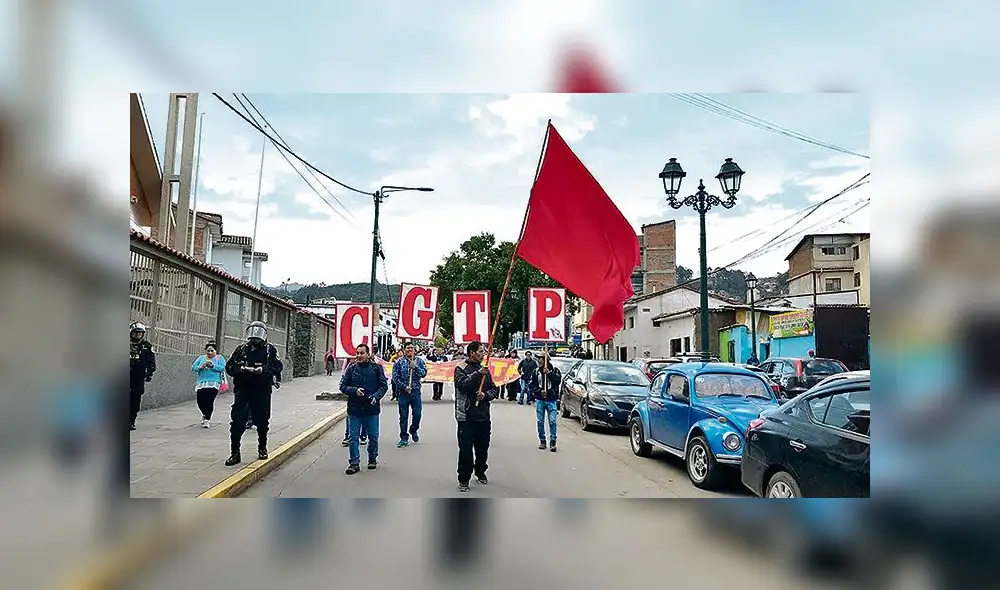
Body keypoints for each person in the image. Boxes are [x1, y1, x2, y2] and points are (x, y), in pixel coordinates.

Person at [224, 321, 282, 466]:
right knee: (237, 422)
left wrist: (263, 370)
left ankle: (262, 448)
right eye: (253, 334)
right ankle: (235, 453)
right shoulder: (241, 349)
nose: (255, 337)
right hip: (242, 391)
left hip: (261, 391)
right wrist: (241, 369)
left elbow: (277, 367)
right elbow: (229, 367)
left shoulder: (269, 350)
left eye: (258, 334)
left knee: (262, 422)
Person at [453, 341, 499, 492]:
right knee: (465, 451)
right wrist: (478, 374)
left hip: (483, 416)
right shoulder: (461, 368)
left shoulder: (485, 369)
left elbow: (494, 390)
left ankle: (480, 471)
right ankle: (463, 479)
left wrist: (485, 395)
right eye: (480, 351)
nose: (483, 354)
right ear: (471, 352)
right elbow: (462, 385)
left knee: (482, 449)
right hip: (466, 417)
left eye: (484, 351)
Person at [339, 343, 388, 474]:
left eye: (362, 353)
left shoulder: (376, 368)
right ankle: (354, 463)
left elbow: (383, 386)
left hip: (371, 409)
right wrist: (354, 391)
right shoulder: (351, 369)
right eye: (357, 353)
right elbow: (343, 386)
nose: (359, 355)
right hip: (354, 409)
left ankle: (372, 458)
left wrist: (376, 396)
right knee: (353, 437)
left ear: (368, 354)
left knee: (373, 437)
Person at [392, 343, 427, 448]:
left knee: (417, 414)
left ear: (414, 350)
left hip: (415, 391)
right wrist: (404, 387)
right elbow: (395, 378)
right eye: (408, 348)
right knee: (403, 416)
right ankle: (403, 437)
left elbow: (424, 373)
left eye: (411, 348)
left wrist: (415, 367)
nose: (410, 350)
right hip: (403, 393)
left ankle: (413, 429)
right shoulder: (398, 362)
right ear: (404, 349)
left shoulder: (419, 361)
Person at [530, 352, 562, 452]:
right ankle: (542, 441)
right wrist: (539, 391)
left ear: (546, 360)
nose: (539, 360)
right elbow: (531, 385)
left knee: (552, 421)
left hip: (551, 400)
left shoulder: (555, 370)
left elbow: (557, 381)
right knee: (540, 421)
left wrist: (549, 374)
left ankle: (553, 441)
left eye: (541, 358)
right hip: (540, 400)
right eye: (538, 358)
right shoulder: (535, 372)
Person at [191, 340, 226, 428]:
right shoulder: (201, 358)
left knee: (209, 401)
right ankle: (204, 414)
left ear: (215, 351)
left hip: (214, 383)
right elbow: (193, 367)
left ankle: (207, 419)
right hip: (202, 382)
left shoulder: (219, 358)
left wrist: (213, 366)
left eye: (212, 351)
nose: (210, 353)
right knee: (200, 401)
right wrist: (200, 367)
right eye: (208, 351)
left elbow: (223, 368)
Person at [128, 321, 156, 431]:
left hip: (138, 376)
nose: (137, 335)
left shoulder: (146, 346)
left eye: (140, 333)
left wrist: (150, 372)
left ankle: (131, 420)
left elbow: (151, 360)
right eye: (135, 333)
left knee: (135, 399)